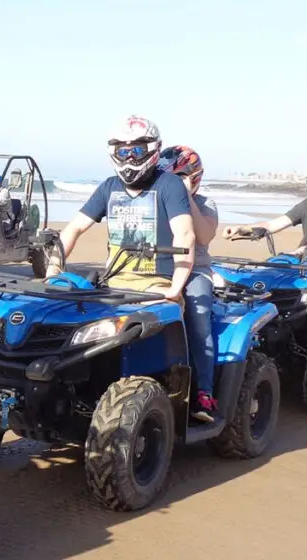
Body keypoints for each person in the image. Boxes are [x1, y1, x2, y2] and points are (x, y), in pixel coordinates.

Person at [51, 116, 206, 419]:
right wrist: (54, 269)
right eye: (122, 151)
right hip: (114, 283)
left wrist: (175, 286)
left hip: (155, 285)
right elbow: (72, 230)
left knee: (180, 330)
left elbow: (184, 233)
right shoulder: (109, 187)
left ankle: (195, 397)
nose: (129, 157)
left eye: (136, 150)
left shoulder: (169, 185)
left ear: (152, 150)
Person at [158, 145, 219, 422]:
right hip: (156, 271)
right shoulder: (158, 199)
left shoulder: (206, 203)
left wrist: (186, 199)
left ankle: (204, 393)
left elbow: (204, 236)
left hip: (196, 272)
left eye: (179, 176)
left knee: (199, 316)